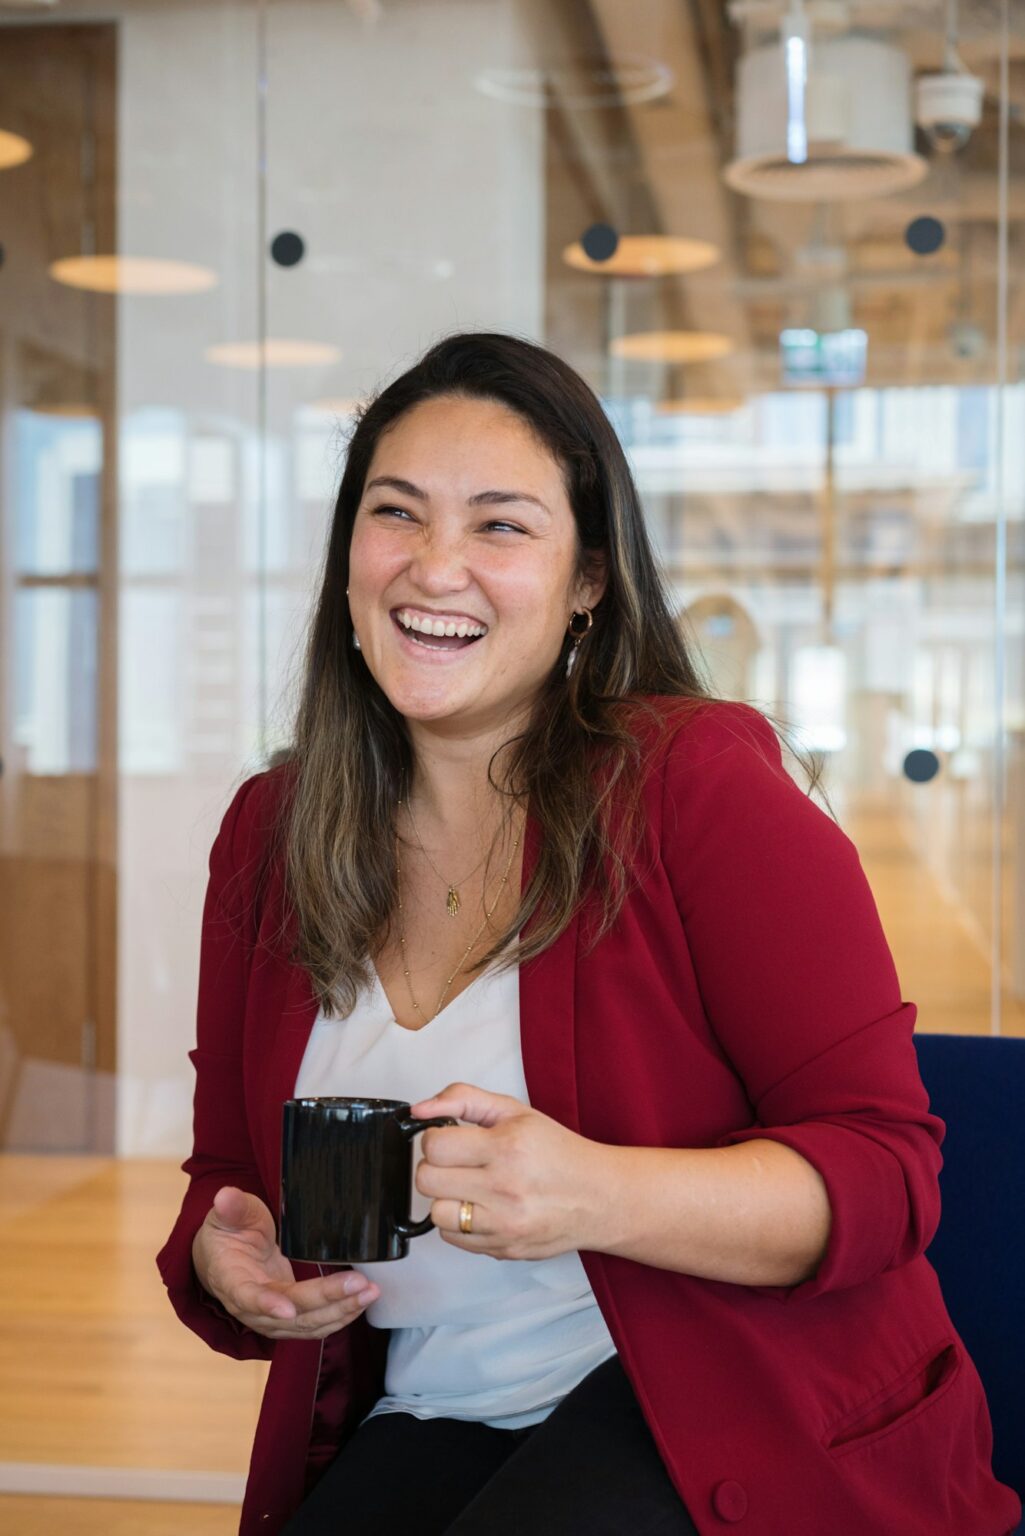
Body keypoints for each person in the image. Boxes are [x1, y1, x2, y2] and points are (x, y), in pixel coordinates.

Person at [157, 332, 1021, 1536]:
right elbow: (228, 1178)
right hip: (429, 1404)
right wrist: (225, 1252)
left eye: (501, 526)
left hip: (723, 1401)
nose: (434, 566)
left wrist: (595, 1194)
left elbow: (887, 1175)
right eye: (395, 512)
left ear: (587, 582)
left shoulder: (697, 787)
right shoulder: (272, 832)